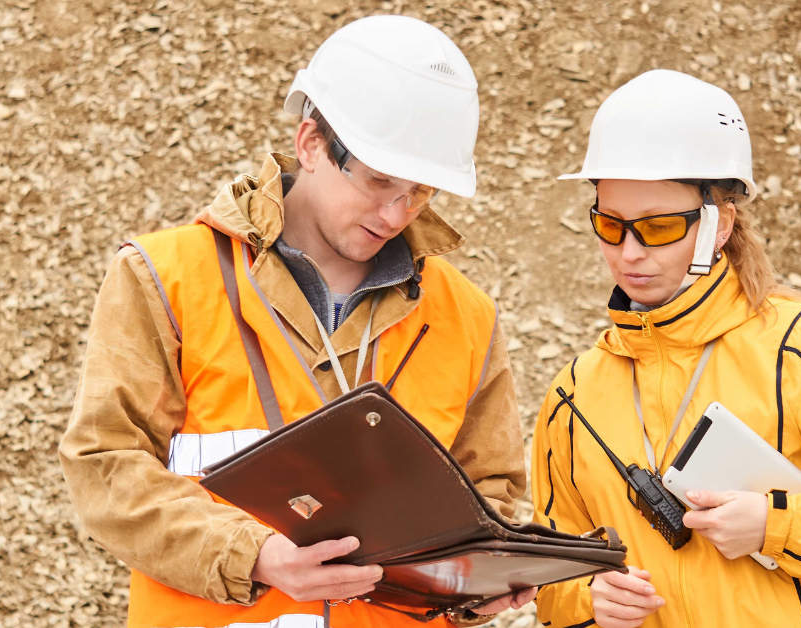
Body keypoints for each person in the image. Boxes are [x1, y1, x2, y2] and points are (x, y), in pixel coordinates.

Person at [59, 15, 534, 628]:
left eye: (421, 192)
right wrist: (253, 554)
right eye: (380, 180)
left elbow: (489, 495)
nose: (396, 212)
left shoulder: (466, 317)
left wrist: (474, 585)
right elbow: (105, 466)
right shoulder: (168, 278)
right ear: (311, 143)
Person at [531, 69, 801, 628]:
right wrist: (588, 598)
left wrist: (775, 525)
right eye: (610, 225)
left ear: (721, 224)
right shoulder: (573, 399)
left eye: (658, 227)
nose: (627, 252)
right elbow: (546, 584)